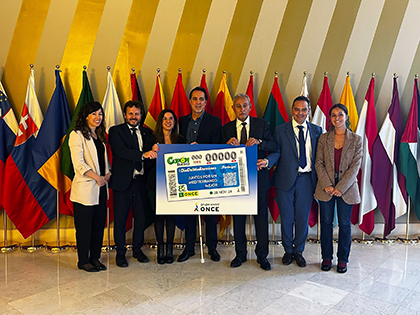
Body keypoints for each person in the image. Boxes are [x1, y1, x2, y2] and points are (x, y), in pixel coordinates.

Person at [222, 94, 277, 270]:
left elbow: (273, 145)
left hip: (258, 179)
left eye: (245, 105)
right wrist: (225, 144)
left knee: (261, 219)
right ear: (233, 108)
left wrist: (259, 142)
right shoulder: (226, 128)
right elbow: (217, 153)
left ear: (250, 107)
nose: (242, 109)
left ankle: (262, 256)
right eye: (238, 106)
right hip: (235, 181)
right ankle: (240, 255)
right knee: (238, 220)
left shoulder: (262, 124)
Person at [267, 96, 322, 267]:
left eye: (304, 109)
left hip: (307, 180)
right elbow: (276, 151)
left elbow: (320, 157)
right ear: (292, 110)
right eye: (297, 109)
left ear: (309, 111)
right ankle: (287, 251)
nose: (300, 113)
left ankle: (298, 250)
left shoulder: (317, 130)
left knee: (302, 217)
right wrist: (268, 162)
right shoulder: (280, 130)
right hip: (285, 180)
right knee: (287, 217)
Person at [109, 100, 157, 267]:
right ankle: (120, 253)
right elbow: (122, 152)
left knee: (141, 219)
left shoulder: (147, 133)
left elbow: (152, 157)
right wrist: (144, 155)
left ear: (140, 115)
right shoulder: (115, 131)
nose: (134, 117)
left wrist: (156, 151)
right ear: (125, 115)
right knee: (121, 220)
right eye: (131, 114)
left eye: (137, 114)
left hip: (141, 183)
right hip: (122, 184)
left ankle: (137, 249)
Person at [315, 103, 362, 273]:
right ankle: (326, 258)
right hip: (325, 187)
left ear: (346, 117)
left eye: (340, 115)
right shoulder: (323, 138)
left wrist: (340, 187)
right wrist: (327, 185)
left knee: (344, 224)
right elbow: (318, 163)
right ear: (330, 118)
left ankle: (343, 259)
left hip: (347, 188)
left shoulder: (357, 139)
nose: (337, 118)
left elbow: (355, 167)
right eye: (333, 115)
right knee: (326, 223)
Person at [177, 86, 222, 262]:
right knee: (189, 213)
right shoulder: (181, 121)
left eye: (201, 99)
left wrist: (200, 150)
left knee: (210, 214)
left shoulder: (215, 121)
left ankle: (212, 248)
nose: (198, 102)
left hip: (207, 174)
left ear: (206, 102)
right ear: (190, 101)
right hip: (187, 174)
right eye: (195, 99)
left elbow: (218, 146)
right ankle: (189, 248)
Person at [69, 101, 111, 272]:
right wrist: (97, 178)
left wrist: (107, 175)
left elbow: (103, 162)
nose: (97, 117)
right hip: (86, 188)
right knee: (84, 227)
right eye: (94, 114)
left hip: (101, 188)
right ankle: (83, 260)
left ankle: (95, 258)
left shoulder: (99, 136)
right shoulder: (76, 135)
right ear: (86, 116)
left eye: (100, 114)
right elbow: (78, 163)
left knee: (98, 225)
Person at [150, 109, 185, 264]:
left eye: (171, 118)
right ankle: (160, 248)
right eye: (164, 118)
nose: (168, 121)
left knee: (170, 216)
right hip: (155, 183)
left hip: (174, 184)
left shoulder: (181, 140)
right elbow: (145, 160)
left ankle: (169, 248)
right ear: (160, 121)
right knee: (158, 216)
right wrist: (151, 151)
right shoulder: (151, 138)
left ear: (174, 121)